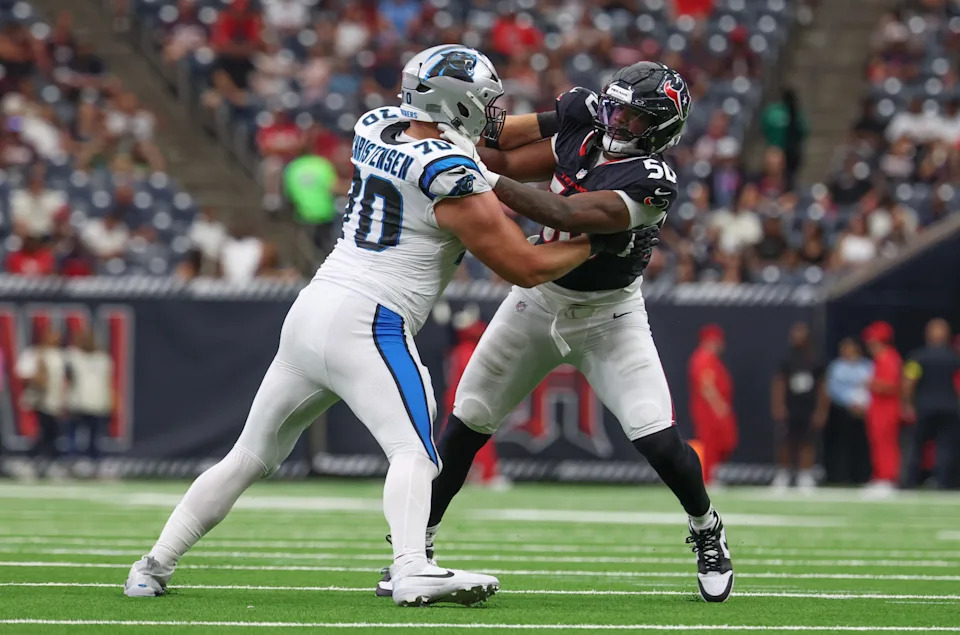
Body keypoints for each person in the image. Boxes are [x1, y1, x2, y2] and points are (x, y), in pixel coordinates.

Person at [123, 44, 645, 606]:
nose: (496, 111)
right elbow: (523, 266)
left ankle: (153, 564)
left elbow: (489, 137)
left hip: (313, 309)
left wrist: (554, 120)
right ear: (459, 105)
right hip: (371, 321)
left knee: (249, 456)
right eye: (486, 101)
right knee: (416, 451)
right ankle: (411, 567)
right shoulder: (451, 175)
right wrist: (600, 243)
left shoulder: (379, 126)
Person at [396, 62, 735, 603]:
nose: (618, 122)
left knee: (659, 439)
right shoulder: (584, 119)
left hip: (610, 317)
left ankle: (706, 528)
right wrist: (444, 132)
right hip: (537, 301)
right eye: (616, 107)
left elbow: (558, 208)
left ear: (662, 128)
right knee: (467, 423)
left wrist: (470, 168)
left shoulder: (652, 180)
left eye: (634, 116)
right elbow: (505, 153)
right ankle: (417, 545)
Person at [902, 319, 960, 489]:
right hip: (949, 407)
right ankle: (942, 482)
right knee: (945, 447)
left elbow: (909, 382)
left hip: (923, 407)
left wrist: (907, 404)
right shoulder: (954, 357)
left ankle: (909, 482)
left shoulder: (917, 356)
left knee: (915, 445)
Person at [771, 323, 828, 490]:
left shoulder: (816, 361)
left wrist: (821, 410)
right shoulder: (786, 360)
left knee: (807, 442)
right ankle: (783, 474)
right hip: (790, 406)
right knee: (786, 441)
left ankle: (805, 475)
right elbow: (779, 384)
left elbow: (822, 387)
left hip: (808, 408)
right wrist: (778, 405)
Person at [689, 324, 738, 490]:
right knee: (709, 443)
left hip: (715, 409)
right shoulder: (703, 358)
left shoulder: (712, 360)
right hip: (708, 410)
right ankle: (706, 478)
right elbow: (706, 385)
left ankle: (711, 475)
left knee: (722, 443)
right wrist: (718, 405)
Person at [15, 326, 68, 478]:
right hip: (37, 400)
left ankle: (48, 464)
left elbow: (63, 381)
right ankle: (30, 463)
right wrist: (38, 375)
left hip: (54, 401)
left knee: (53, 434)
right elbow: (23, 375)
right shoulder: (33, 353)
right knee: (42, 432)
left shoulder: (60, 356)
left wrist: (63, 401)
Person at [823, 338, 873, 485]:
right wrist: (849, 404)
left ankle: (861, 476)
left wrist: (862, 406)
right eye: (843, 349)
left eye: (849, 348)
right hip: (841, 411)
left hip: (864, 412)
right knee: (840, 445)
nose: (846, 352)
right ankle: (839, 476)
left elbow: (872, 385)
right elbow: (832, 388)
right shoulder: (836, 367)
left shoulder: (867, 366)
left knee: (862, 445)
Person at [64, 328, 114, 470]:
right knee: (73, 436)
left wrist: (111, 401)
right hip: (77, 403)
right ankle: (71, 464)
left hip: (97, 403)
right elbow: (67, 377)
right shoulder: (73, 356)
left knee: (95, 437)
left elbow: (107, 382)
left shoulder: (103, 359)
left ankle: (95, 465)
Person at [862, 321, 903, 496]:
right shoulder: (881, 358)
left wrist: (872, 384)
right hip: (878, 407)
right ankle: (879, 477)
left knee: (886, 443)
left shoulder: (889, 358)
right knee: (877, 443)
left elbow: (893, 386)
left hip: (887, 408)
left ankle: (888, 479)